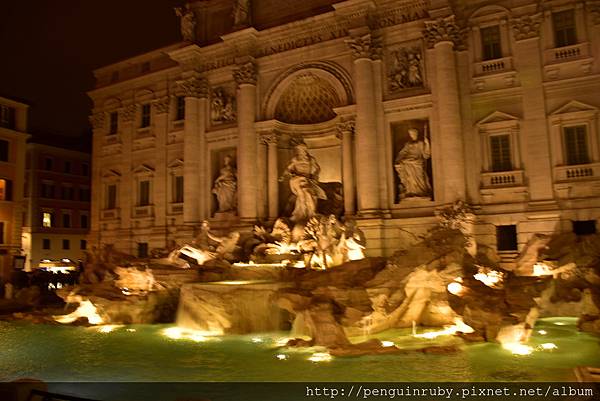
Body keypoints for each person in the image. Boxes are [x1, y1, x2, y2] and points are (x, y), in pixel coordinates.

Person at [280, 143, 327, 223]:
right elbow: (288, 169)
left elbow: (317, 168)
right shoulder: (295, 159)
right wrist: (285, 175)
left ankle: (310, 212)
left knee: (310, 193)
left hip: (308, 179)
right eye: (301, 150)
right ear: (298, 151)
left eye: (304, 149)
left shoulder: (311, 159)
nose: (303, 151)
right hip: (297, 179)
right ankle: (300, 213)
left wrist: (314, 176)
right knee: (303, 191)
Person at [394, 128, 432, 198]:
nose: (412, 135)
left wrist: (427, 144)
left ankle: (421, 192)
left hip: (418, 162)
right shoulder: (408, 144)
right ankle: (410, 191)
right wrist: (397, 161)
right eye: (411, 134)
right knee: (409, 177)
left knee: (420, 177)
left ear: (416, 134)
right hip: (408, 161)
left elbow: (426, 155)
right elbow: (402, 153)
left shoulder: (421, 143)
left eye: (413, 134)